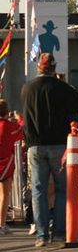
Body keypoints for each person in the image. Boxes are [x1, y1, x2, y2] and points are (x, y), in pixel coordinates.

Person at [21, 53, 78, 246]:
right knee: (61, 189)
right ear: (54, 68)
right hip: (58, 145)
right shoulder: (63, 89)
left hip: (35, 145)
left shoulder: (26, 89)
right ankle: (58, 232)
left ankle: (41, 234)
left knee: (38, 190)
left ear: (38, 67)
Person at [0, 100, 23, 234]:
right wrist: (19, 119)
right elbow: (21, 132)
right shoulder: (9, 126)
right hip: (6, 163)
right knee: (4, 194)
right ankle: (1, 224)